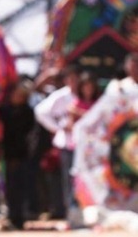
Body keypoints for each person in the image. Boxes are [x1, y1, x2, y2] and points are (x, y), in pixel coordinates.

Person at [34, 64, 81, 221]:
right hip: (66, 143)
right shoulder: (61, 96)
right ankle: (70, 212)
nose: (74, 81)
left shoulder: (85, 94)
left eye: (76, 78)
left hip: (84, 145)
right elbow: (40, 111)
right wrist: (57, 128)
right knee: (68, 178)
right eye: (71, 78)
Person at [0, 80, 36, 230]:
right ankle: (11, 216)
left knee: (20, 188)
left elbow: (28, 133)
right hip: (7, 155)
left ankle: (19, 218)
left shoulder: (27, 111)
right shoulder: (5, 111)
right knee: (8, 188)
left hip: (21, 154)